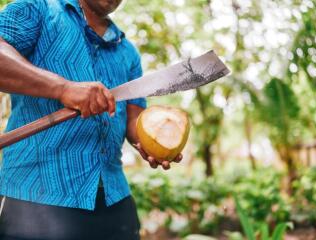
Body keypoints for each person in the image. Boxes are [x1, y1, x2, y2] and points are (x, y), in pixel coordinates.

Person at [0, 0, 183, 239]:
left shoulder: (128, 52)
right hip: (37, 196)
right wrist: (62, 88)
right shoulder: (37, 9)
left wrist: (153, 141)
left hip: (115, 200)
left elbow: (133, 117)